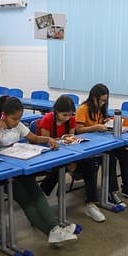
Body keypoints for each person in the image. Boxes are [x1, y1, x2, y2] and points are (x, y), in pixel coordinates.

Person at [0, 96, 78, 247]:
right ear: (4, 115)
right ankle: (52, 232)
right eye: (14, 119)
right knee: (26, 200)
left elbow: (33, 138)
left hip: (18, 167)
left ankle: (54, 229)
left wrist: (48, 140)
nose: (17, 122)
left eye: (19, 118)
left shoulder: (18, 125)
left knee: (36, 193)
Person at [37, 95, 105, 223]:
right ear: (56, 111)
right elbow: (46, 142)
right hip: (50, 154)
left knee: (91, 163)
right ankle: (40, 199)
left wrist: (72, 160)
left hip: (68, 153)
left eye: (70, 115)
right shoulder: (47, 120)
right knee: (60, 166)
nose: (68, 118)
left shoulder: (71, 120)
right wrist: (68, 160)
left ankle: (91, 204)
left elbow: (71, 140)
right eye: (64, 115)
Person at [75, 83, 128, 206]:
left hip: (102, 142)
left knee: (125, 154)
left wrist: (108, 123)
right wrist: (96, 127)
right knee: (110, 159)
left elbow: (101, 124)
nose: (103, 103)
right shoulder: (83, 109)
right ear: (94, 97)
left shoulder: (100, 109)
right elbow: (78, 130)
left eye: (105, 101)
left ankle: (127, 186)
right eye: (102, 100)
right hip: (89, 147)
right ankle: (111, 192)